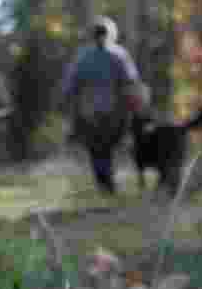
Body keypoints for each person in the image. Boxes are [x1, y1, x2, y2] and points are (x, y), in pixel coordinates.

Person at [59, 16, 144, 193]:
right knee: (104, 147)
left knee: (99, 148)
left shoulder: (84, 57)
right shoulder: (119, 55)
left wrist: (69, 101)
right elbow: (131, 81)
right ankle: (106, 183)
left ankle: (105, 183)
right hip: (109, 111)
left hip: (93, 111)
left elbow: (70, 84)